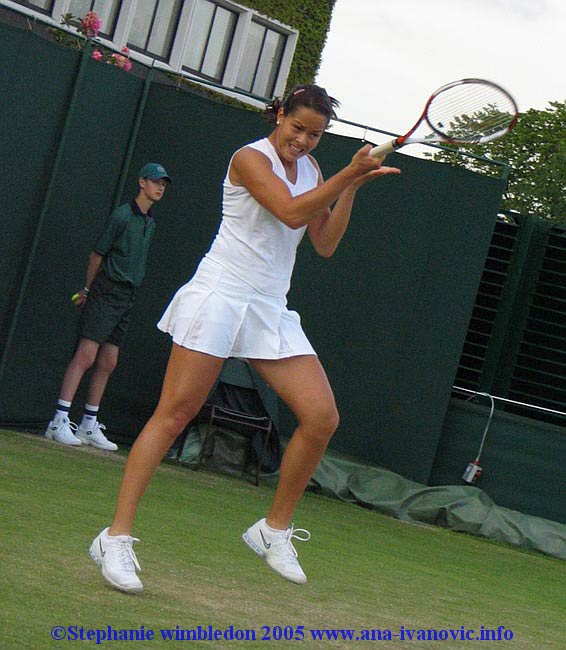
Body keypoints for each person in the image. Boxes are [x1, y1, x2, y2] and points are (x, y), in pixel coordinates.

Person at [89, 85, 400, 593]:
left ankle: (272, 529)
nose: (303, 141)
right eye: (297, 127)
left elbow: (322, 243)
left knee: (322, 417)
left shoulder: (315, 170)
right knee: (174, 415)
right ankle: (115, 537)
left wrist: (350, 188)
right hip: (220, 294)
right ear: (279, 115)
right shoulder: (247, 159)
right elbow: (292, 213)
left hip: (269, 308)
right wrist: (348, 172)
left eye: (315, 135)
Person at [44, 163, 171, 451]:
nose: (160, 187)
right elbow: (96, 255)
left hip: (127, 297)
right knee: (86, 356)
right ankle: (58, 420)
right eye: (155, 182)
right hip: (105, 291)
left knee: (109, 362)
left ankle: (89, 423)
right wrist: (88, 290)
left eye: (163, 183)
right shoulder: (122, 216)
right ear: (141, 183)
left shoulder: (150, 222)